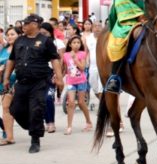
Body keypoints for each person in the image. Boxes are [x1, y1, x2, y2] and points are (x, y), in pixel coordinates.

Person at [2, 14, 64, 153]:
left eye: (26, 23)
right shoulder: (19, 41)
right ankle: (32, 126)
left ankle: (35, 140)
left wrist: (59, 78)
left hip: (39, 82)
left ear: (35, 24)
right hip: (22, 82)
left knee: (36, 109)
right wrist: (6, 78)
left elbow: (55, 60)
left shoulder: (45, 41)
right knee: (15, 109)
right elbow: (11, 60)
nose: (23, 25)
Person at [61, 35, 93, 135]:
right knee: (70, 102)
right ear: (70, 44)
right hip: (71, 81)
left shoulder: (82, 54)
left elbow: (82, 67)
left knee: (81, 102)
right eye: (74, 43)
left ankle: (88, 122)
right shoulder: (65, 55)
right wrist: (58, 77)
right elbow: (64, 68)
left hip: (81, 81)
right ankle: (69, 126)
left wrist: (75, 58)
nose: (76, 45)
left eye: (78, 43)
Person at [0, 26, 19, 145]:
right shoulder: (3, 50)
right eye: (8, 34)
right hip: (3, 82)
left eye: (12, 34)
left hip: (17, 82)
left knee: (10, 108)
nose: (10, 36)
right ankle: (8, 134)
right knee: (6, 108)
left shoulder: (21, 49)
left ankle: (8, 134)